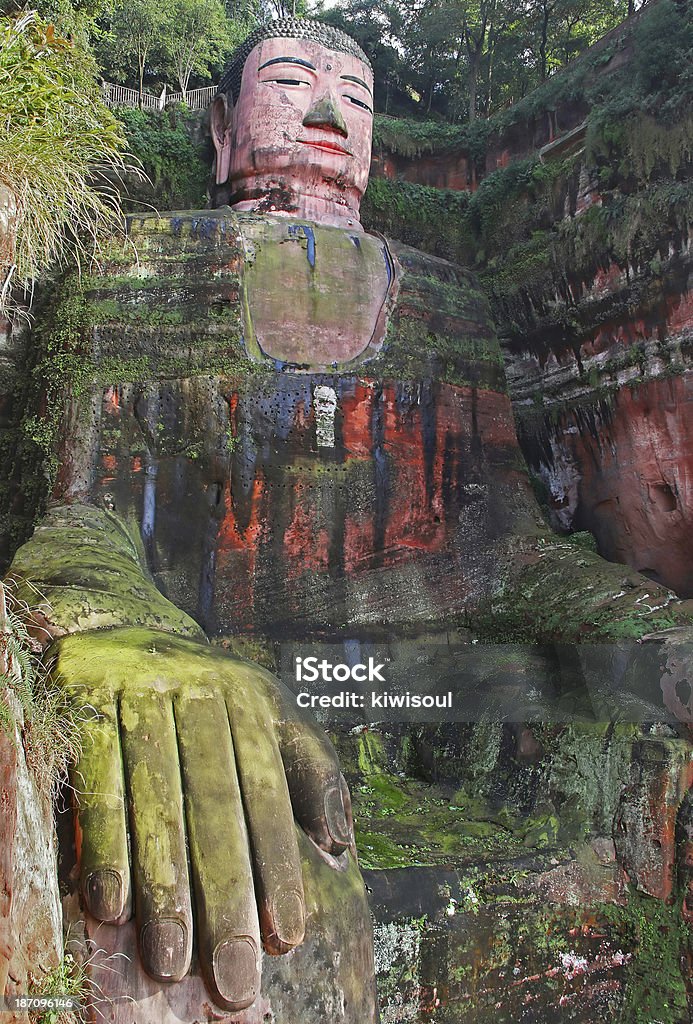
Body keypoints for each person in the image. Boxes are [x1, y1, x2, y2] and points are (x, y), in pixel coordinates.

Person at [6, 16, 691, 1023]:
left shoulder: (452, 304)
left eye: (359, 99)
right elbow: (76, 518)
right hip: (229, 683)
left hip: (435, 697)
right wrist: (127, 635)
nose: (330, 110)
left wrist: (654, 626)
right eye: (291, 80)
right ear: (217, 128)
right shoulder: (131, 264)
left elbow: (508, 557)